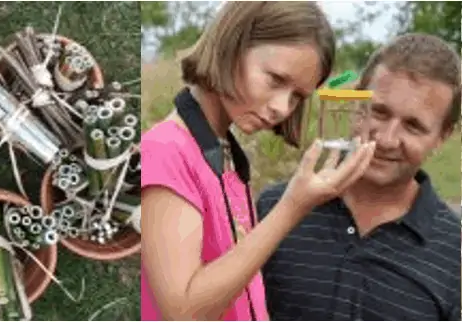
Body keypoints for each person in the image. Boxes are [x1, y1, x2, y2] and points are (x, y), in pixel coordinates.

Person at [139, 2, 378, 320]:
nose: (282, 107)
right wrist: (293, 207)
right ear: (232, 46)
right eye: (276, 80)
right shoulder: (167, 151)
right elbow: (183, 311)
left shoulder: (226, 156)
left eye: (296, 97)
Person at [255, 34, 461, 320]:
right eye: (379, 111)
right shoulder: (274, 208)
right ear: (355, 103)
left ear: (442, 136)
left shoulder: (456, 252)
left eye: (413, 126)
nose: (387, 139)